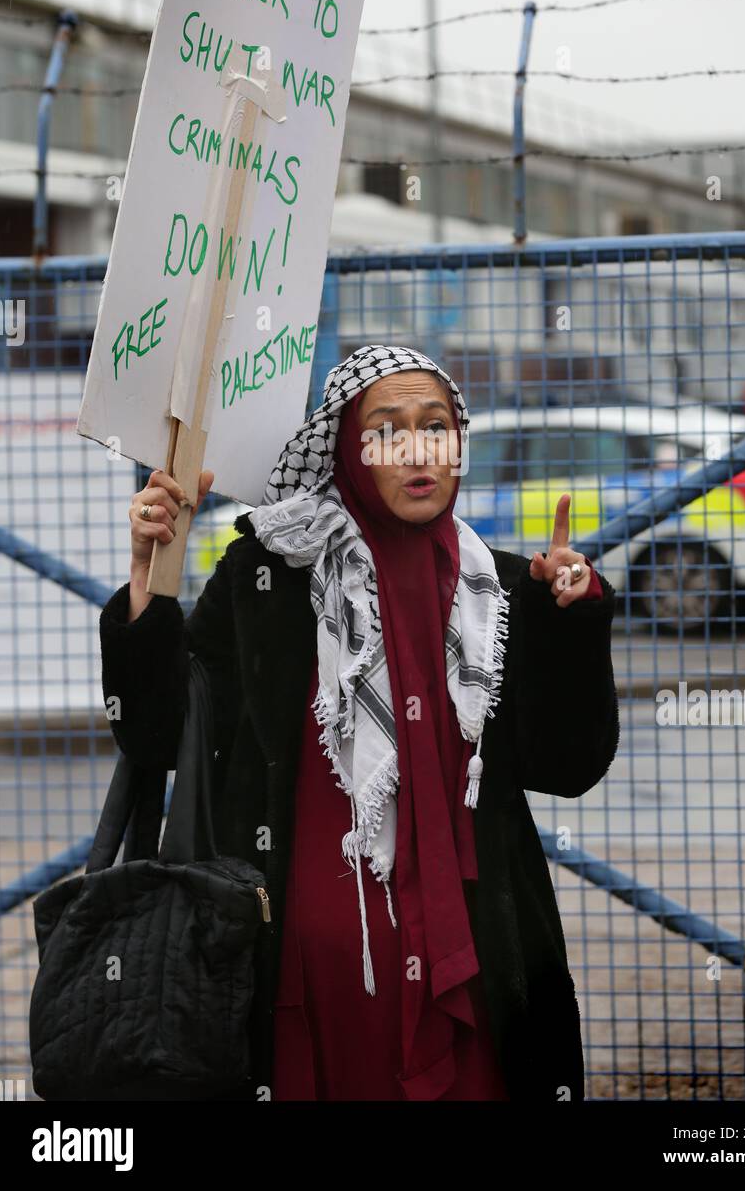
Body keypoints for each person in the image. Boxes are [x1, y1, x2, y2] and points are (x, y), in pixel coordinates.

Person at [99, 343, 620, 1101]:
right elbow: (155, 735)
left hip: (477, 968)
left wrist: (572, 623)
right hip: (300, 973)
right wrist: (148, 583)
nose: (417, 450)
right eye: (386, 429)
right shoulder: (268, 577)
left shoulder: (504, 591)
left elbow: (570, 768)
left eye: (436, 426)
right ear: (346, 449)